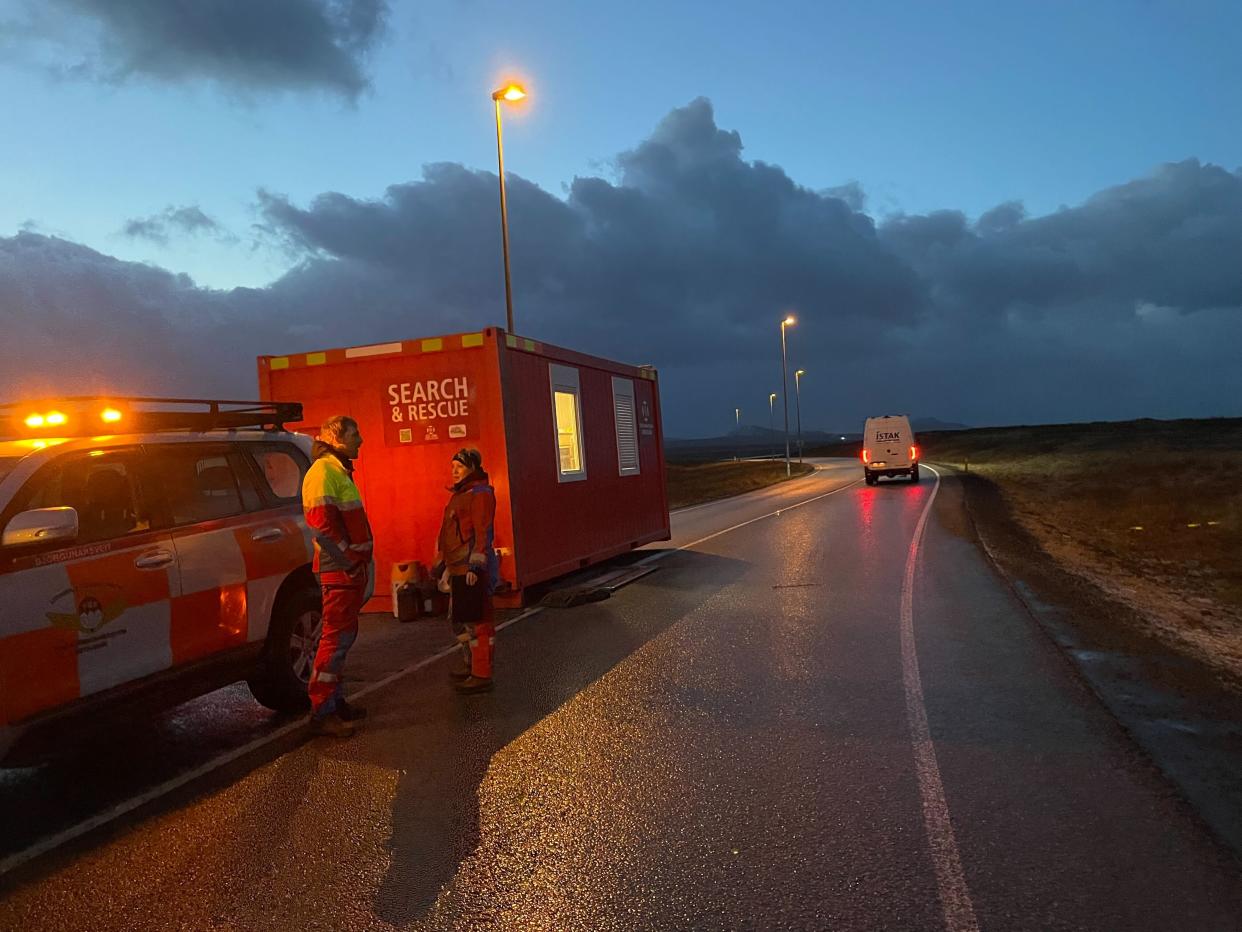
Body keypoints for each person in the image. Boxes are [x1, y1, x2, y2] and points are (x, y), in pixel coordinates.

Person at [302, 415, 374, 736]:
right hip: (340, 572)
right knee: (335, 640)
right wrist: (350, 561)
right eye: (355, 434)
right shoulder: (323, 472)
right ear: (335, 436)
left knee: (342, 639)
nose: (361, 439)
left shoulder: (336, 470)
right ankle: (322, 710)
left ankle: (334, 701)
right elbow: (322, 528)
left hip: (347, 571)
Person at [435, 447, 498, 694]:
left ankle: (481, 674)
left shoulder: (479, 494)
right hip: (457, 567)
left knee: (478, 623)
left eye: (459, 467)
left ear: (472, 467)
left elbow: (482, 532)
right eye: (452, 467)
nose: (454, 472)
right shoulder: (461, 494)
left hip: (470, 569)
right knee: (461, 621)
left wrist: (476, 565)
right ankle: (471, 664)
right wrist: (442, 563)